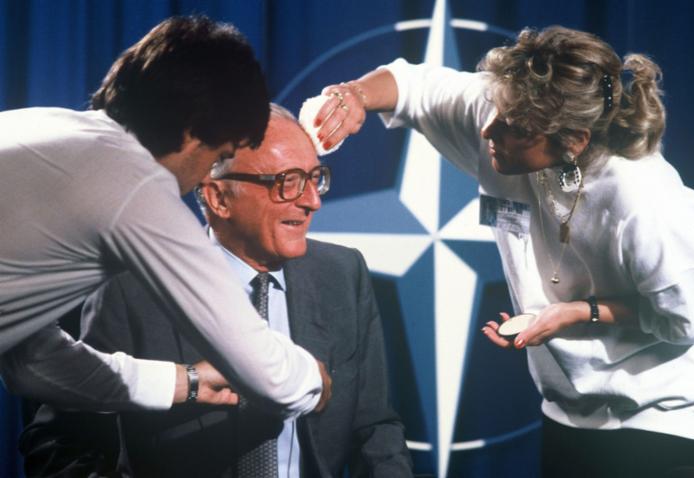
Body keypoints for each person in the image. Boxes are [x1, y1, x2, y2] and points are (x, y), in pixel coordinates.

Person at [311, 26, 694, 476]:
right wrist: (353, 97)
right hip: (566, 410)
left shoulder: (646, 204)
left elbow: (687, 320)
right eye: (497, 110)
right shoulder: (507, 113)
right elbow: (410, 85)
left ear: (573, 141)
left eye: (513, 126)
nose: (488, 128)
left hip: (662, 420)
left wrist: (579, 312)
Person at [20, 105, 412, 478]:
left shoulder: (342, 274)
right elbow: (61, 441)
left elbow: (374, 428)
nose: (312, 201)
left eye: (314, 178)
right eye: (287, 182)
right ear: (218, 198)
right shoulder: (129, 288)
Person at [0, 15, 329, 416]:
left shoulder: (38, 124)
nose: (201, 182)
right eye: (221, 155)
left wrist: (184, 382)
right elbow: (268, 376)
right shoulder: (134, 186)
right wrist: (312, 377)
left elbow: (32, 364)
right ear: (192, 133)